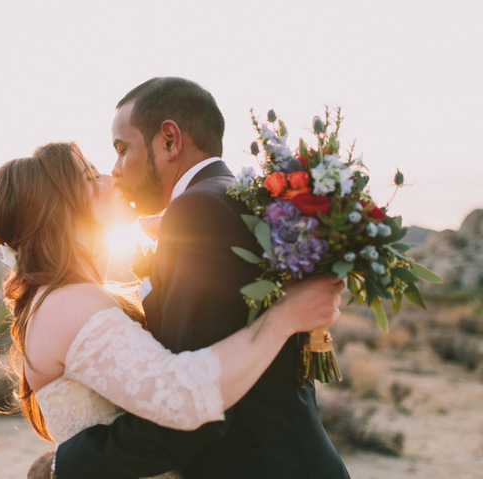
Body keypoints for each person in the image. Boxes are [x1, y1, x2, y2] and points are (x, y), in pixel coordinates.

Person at [28, 78, 351, 478]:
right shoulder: (233, 197)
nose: (115, 170)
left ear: (169, 141)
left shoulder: (197, 211)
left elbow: (191, 414)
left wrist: (66, 464)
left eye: (122, 148)